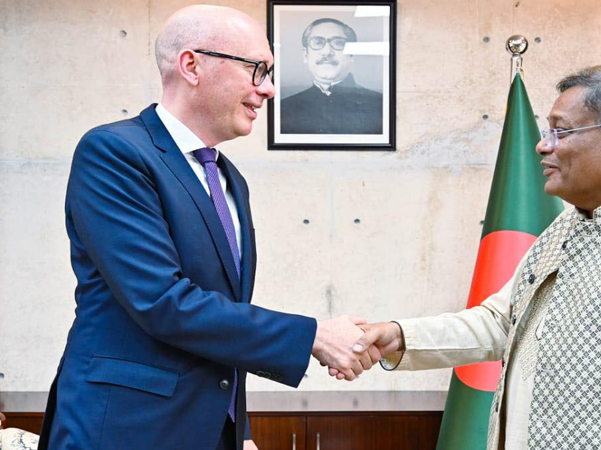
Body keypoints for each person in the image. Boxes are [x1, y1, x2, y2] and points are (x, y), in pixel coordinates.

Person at [349, 65, 601, 450]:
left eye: (560, 132)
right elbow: (502, 322)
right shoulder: (568, 225)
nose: (542, 145)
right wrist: (399, 336)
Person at [39, 6, 376, 450]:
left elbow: (222, 316)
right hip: (125, 429)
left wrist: (238, 430)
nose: (269, 89)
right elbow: (163, 301)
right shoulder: (114, 153)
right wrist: (313, 336)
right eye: (257, 69)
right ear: (192, 65)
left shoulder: (229, 178)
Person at [280, 18, 382, 135]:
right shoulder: (284, 108)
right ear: (305, 55)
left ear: (352, 55)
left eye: (338, 43)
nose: (327, 52)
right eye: (318, 42)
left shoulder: (379, 105)